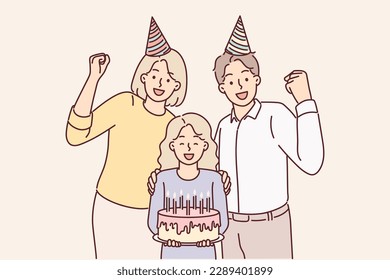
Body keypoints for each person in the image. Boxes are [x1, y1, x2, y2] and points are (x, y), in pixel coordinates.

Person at [65, 17, 187, 259]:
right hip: (110, 207)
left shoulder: (175, 124)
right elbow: (76, 135)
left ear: (177, 86)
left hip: (154, 214)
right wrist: (93, 79)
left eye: (169, 78)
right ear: (143, 78)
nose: (160, 83)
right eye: (154, 75)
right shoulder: (124, 104)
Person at [213, 16, 324, 258]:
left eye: (244, 77)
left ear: (256, 79)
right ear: (222, 87)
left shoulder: (274, 114)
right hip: (230, 225)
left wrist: (304, 101)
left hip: (270, 224)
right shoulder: (223, 127)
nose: (239, 86)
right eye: (230, 80)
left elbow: (312, 161)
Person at [148, 113, 228, 259]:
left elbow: (222, 220)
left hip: (205, 252)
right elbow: (154, 221)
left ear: (205, 145)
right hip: (171, 252)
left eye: (195, 143)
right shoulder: (162, 179)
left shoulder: (214, 179)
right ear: (172, 145)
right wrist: (167, 236)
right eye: (182, 143)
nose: (189, 148)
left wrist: (208, 236)